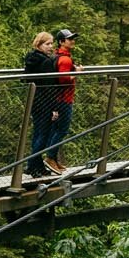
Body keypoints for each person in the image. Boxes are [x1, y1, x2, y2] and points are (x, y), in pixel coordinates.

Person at [21, 30, 63, 175]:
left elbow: (25, 78)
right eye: (47, 44)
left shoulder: (31, 59)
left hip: (35, 100)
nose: (50, 47)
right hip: (45, 102)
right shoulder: (46, 62)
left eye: (51, 43)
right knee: (44, 134)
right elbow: (49, 86)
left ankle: (34, 165)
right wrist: (55, 108)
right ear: (39, 45)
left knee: (38, 133)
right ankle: (34, 166)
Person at [48, 28, 79, 174]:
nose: (72, 41)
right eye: (69, 39)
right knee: (62, 129)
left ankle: (53, 159)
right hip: (64, 99)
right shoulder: (65, 59)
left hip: (57, 98)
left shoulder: (57, 56)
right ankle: (50, 158)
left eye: (73, 38)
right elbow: (63, 79)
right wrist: (76, 73)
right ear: (61, 42)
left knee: (56, 129)